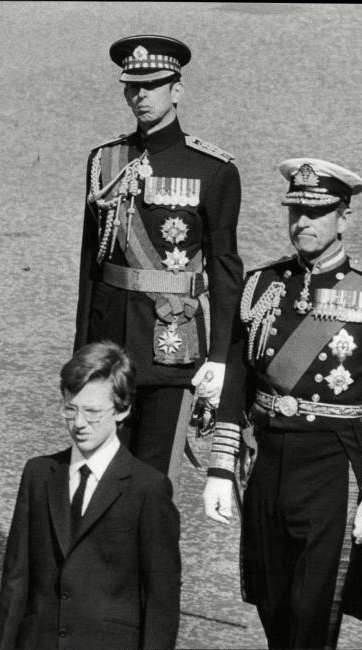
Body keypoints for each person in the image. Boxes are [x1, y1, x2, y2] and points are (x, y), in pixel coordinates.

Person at [202, 159, 362, 649]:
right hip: (268, 464)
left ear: (343, 217)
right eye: (296, 210)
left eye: (317, 212)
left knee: (314, 615)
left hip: (332, 468)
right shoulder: (259, 286)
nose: (303, 222)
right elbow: (237, 382)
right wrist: (220, 467)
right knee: (273, 607)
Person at [74, 35, 243, 484]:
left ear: (177, 91)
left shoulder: (213, 170)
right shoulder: (104, 161)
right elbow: (90, 268)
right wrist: (82, 351)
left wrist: (221, 357)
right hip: (109, 345)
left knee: (153, 483)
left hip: (173, 345)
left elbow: (225, 268)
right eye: (132, 87)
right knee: (99, 475)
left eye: (152, 86)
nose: (140, 96)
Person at [0, 341, 181, 650]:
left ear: (123, 410)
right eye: (70, 409)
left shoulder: (148, 489)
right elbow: (15, 580)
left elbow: (162, 601)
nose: (79, 423)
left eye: (92, 412)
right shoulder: (38, 475)